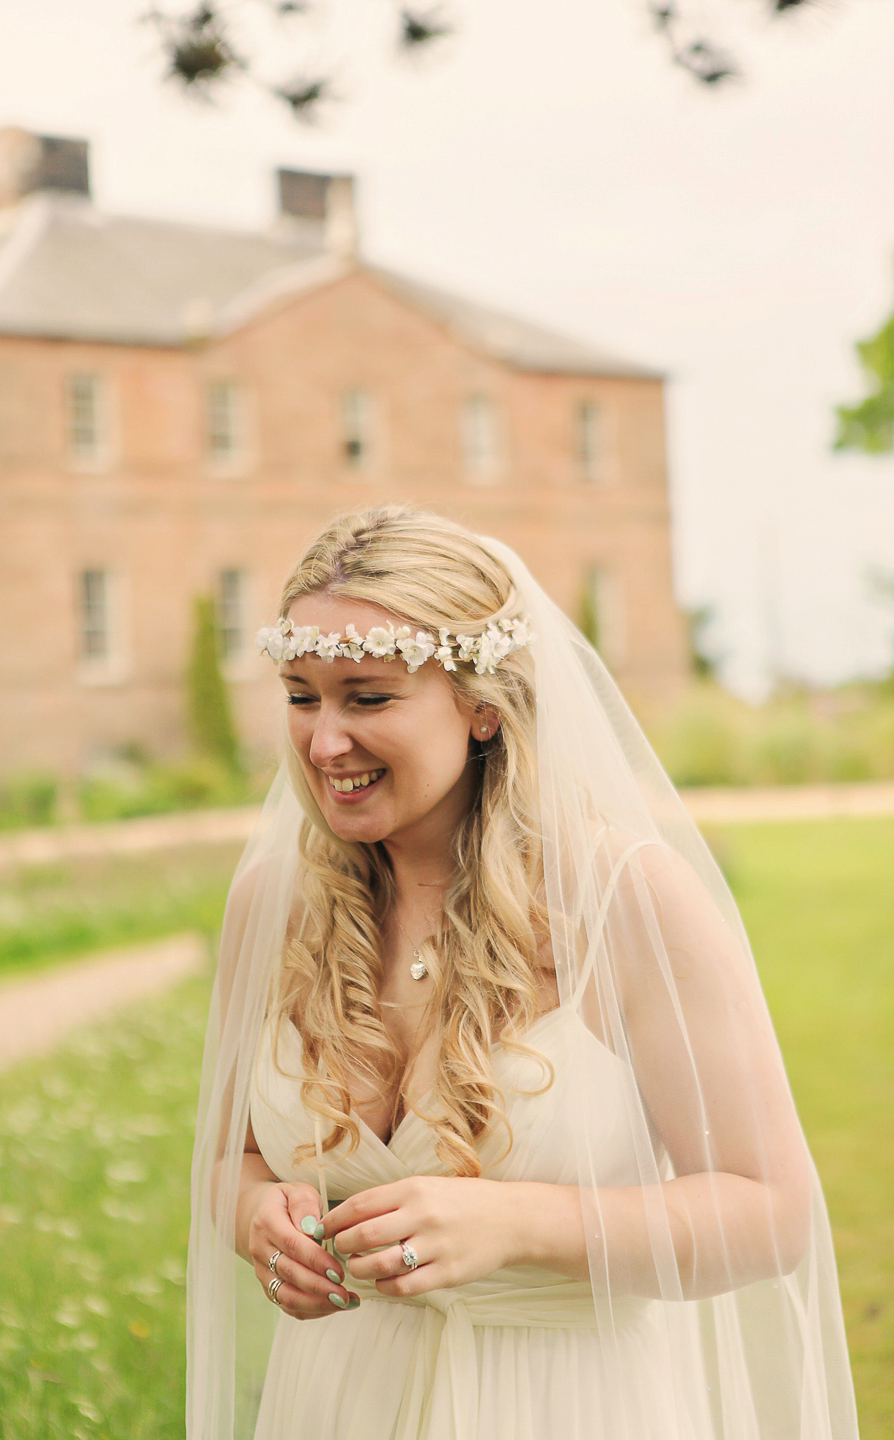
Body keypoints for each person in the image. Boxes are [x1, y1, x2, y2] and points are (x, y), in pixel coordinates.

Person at [188, 506, 858, 1440]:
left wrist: (519, 1225)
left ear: (483, 705)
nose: (323, 742)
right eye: (303, 695)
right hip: (337, 1400)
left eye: (368, 698)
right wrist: (257, 1213)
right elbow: (229, 1157)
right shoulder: (273, 902)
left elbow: (771, 1213)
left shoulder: (624, 900)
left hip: (562, 1403)